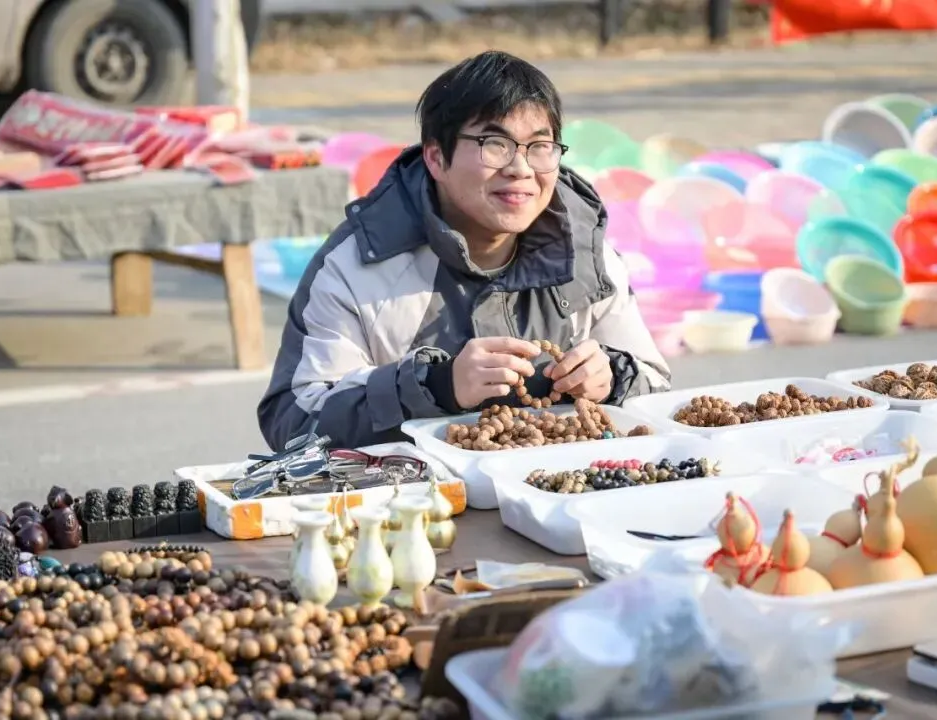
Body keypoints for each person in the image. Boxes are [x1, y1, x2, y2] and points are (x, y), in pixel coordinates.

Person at [258, 50, 671, 451]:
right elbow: (294, 425)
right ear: (436, 157)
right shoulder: (359, 263)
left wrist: (613, 378)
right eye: (495, 144)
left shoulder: (586, 252)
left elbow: (657, 390)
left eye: (539, 146)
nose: (520, 169)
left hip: (554, 488)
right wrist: (435, 386)